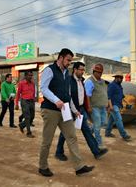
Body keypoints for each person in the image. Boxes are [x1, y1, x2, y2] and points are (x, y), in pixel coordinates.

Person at [38, 48, 94, 177]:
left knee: (72, 137)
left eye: (70, 60)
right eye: (68, 60)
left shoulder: (67, 75)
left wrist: (75, 111)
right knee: (47, 140)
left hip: (65, 110)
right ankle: (42, 166)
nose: (69, 63)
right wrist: (56, 100)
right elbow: (44, 88)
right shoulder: (49, 70)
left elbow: (68, 95)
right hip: (50, 110)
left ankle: (79, 167)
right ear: (61, 58)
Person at [55, 62, 108, 161]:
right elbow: (68, 96)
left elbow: (83, 96)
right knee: (65, 132)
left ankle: (96, 151)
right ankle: (59, 152)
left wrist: (85, 109)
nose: (83, 72)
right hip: (70, 110)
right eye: (81, 70)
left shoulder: (82, 81)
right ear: (75, 70)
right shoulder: (69, 81)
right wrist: (73, 110)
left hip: (80, 109)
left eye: (83, 70)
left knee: (87, 130)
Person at [84, 63, 108, 149]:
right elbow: (87, 95)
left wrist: (107, 104)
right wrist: (89, 107)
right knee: (97, 125)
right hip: (94, 107)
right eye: (98, 72)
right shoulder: (90, 81)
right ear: (94, 72)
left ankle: (90, 131)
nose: (99, 74)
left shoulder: (102, 82)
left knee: (104, 123)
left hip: (102, 107)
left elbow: (104, 93)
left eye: (101, 72)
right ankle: (99, 143)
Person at [105, 71, 131, 141]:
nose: (121, 79)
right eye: (120, 78)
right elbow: (108, 96)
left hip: (118, 105)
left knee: (111, 120)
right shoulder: (112, 85)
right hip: (113, 105)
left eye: (122, 78)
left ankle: (107, 133)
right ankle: (124, 135)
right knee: (119, 120)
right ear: (116, 77)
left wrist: (127, 103)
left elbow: (122, 96)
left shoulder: (119, 85)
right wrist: (111, 106)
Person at [15, 71, 35, 138]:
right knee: (27, 117)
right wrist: (16, 103)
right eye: (29, 75)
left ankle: (22, 125)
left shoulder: (33, 83)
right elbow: (18, 94)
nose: (31, 77)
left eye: (31, 75)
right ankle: (29, 133)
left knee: (32, 117)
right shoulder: (21, 83)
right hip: (24, 101)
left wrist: (34, 100)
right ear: (25, 76)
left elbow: (33, 92)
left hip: (31, 101)